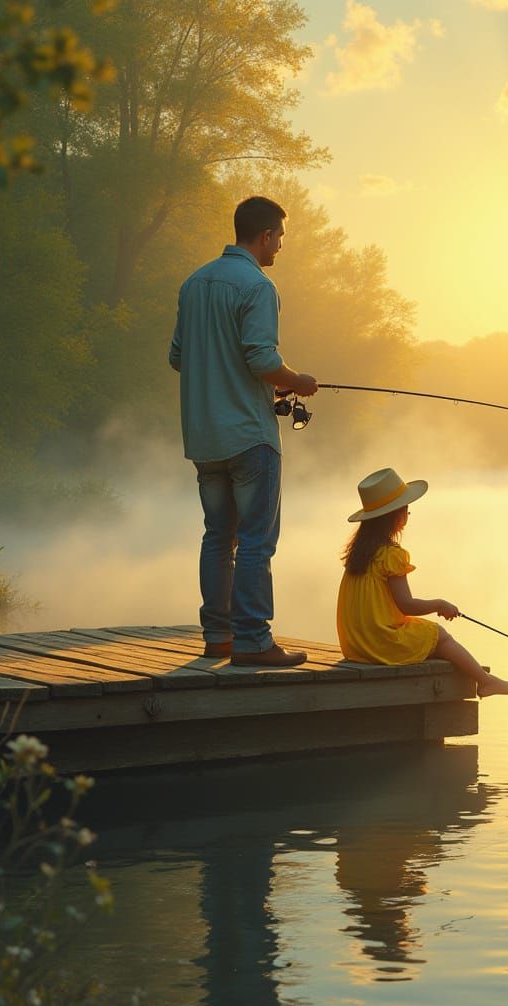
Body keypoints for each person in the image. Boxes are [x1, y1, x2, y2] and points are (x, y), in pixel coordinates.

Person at [169, 195, 318, 666]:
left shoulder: (193, 284)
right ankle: (254, 641)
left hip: (204, 438)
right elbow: (261, 358)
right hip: (250, 438)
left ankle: (219, 638)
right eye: (280, 238)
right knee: (255, 541)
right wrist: (298, 383)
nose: (280, 248)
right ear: (266, 234)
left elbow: (178, 356)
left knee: (218, 537)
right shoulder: (257, 285)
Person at [336, 467, 508, 698]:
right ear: (396, 515)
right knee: (437, 634)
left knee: (424, 637)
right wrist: (439, 604)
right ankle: (485, 681)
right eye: (406, 509)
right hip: (379, 644)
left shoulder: (359, 555)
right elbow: (406, 605)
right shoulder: (392, 555)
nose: (408, 514)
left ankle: (485, 680)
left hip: (355, 645)